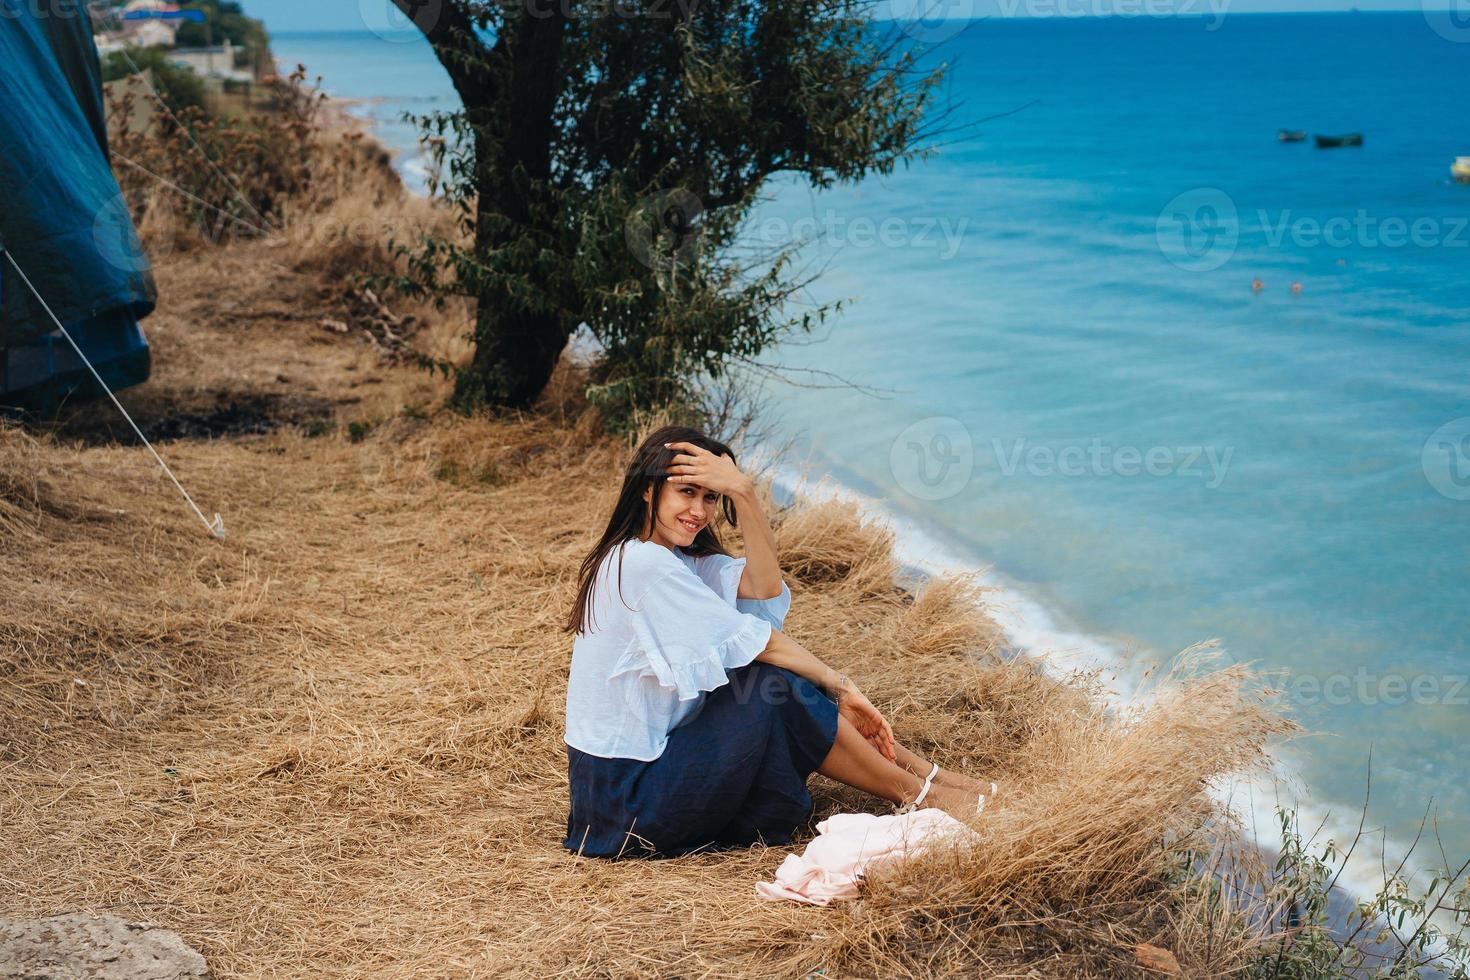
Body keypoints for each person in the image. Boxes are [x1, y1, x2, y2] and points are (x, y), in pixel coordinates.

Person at [561, 423, 998, 859]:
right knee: (774, 683)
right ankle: (923, 794)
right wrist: (841, 686)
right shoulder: (641, 564)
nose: (699, 510)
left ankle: (935, 779)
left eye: (711, 496)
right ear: (647, 490)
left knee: (775, 680)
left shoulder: (676, 559)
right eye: (686, 492)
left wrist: (745, 493)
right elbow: (762, 643)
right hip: (623, 803)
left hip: (634, 786)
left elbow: (764, 584)